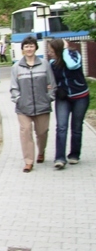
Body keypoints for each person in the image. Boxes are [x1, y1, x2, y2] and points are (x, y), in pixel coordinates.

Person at [10, 36, 56, 173]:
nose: (29, 49)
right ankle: (28, 161)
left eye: (31, 46)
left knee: (42, 132)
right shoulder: (16, 67)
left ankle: (41, 151)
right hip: (23, 107)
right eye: (26, 46)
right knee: (25, 132)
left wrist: (49, 97)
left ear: (36, 48)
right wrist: (18, 99)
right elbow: (13, 87)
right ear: (22, 49)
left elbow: (52, 83)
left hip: (42, 105)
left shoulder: (44, 64)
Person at [48, 39, 90, 169]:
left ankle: (74, 155)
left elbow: (72, 66)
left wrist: (65, 50)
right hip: (63, 98)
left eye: (51, 50)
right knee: (61, 127)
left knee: (76, 127)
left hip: (80, 96)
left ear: (58, 50)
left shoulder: (74, 55)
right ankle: (60, 158)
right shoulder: (52, 63)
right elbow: (52, 80)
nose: (49, 53)